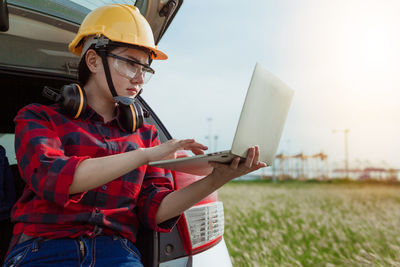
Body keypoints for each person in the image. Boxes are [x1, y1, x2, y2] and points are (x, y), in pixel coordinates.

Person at [3, 4, 266, 267]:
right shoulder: (38, 117)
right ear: (93, 61)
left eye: (145, 69)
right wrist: (144, 156)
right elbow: (55, 177)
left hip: (116, 253)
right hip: (42, 249)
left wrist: (216, 180)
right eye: (131, 64)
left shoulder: (146, 135)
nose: (140, 78)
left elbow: (154, 210)